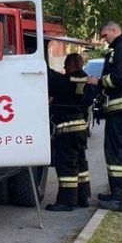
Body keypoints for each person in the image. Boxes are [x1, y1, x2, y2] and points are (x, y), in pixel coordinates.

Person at [85, 21, 122, 212]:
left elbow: (121, 76)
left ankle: (121, 198)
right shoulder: (121, 47)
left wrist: (99, 82)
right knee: (113, 150)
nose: (104, 39)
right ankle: (116, 193)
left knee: (118, 151)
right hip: (120, 107)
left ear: (114, 30)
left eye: (105, 35)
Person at [45, 53, 92, 211]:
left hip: (68, 128)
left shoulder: (66, 80)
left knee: (66, 165)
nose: (64, 68)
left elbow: (51, 76)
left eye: (66, 65)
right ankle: (83, 196)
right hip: (81, 127)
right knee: (80, 163)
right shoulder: (87, 79)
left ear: (74, 65)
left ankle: (66, 201)